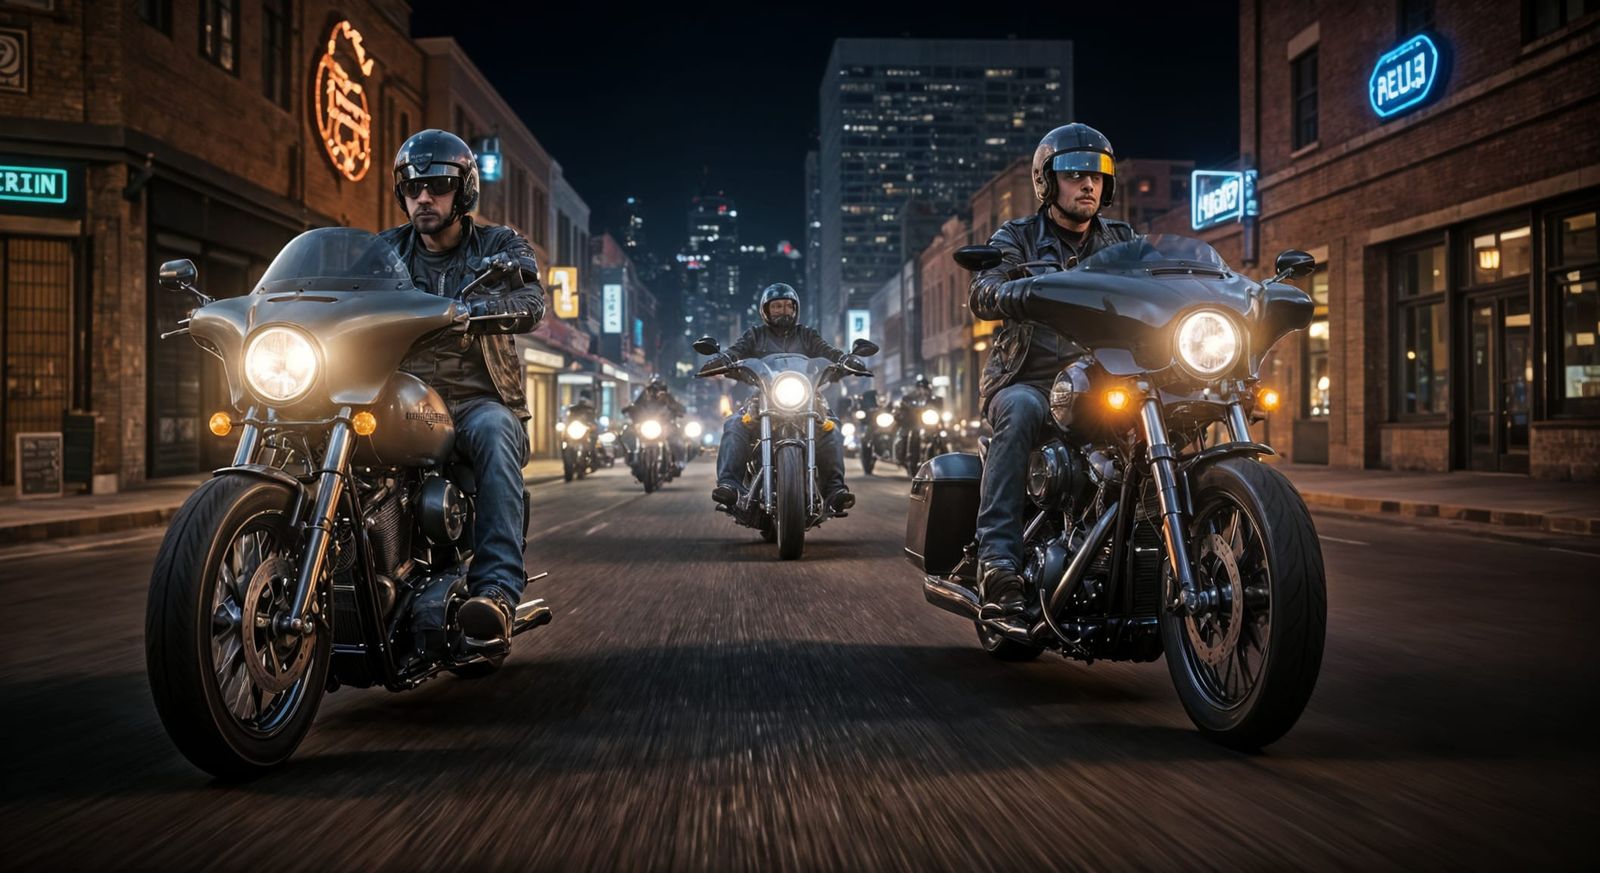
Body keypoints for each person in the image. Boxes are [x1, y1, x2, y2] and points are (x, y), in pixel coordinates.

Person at [967, 123, 1139, 620]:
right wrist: (1007, 289)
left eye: (1099, 174)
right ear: (1047, 181)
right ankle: (997, 559)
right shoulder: (1018, 236)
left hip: (1107, 379)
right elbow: (985, 287)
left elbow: (1165, 275)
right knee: (1020, 409)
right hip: (1030, 381)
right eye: (1075, 173)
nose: (1089, 184)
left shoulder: (1123, 240)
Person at [382, 129, 544, 643]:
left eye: (437, 185)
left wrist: (479, 310)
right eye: (412, 187)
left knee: (496, 434)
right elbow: (337, 291)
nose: (423, 197)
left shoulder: (498, 245)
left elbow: (531, 299)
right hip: (399, 400)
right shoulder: (384, 253)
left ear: (464, 191)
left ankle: (495, 592)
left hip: (478, 402)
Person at [710, 283, 860, 514]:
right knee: (734, 425)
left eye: (788, 306)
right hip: (764, 400)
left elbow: (828, 352)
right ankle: (730, 485)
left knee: (832, 427)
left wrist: (845, 360)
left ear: (795, 309)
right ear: (766, 310)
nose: (783, 310)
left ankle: (834, 490)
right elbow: (736, 351)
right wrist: (723, 359)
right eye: (777, 306)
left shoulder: (807, 335)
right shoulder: (755, 335)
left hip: (806, 399)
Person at [623, 375, 687, 471]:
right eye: (652, 389)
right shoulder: (643, 397)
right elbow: (634, 406)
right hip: (645, 424)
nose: (655, 392)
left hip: (665, 425)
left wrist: (675, 408)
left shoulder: (668, 398)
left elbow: (680, 408)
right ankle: (633, 457)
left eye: (659, 389)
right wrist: (629, 409)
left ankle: (678, 461)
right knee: (628, 434)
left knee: (676, 439)